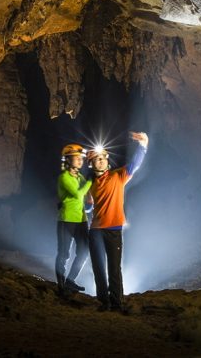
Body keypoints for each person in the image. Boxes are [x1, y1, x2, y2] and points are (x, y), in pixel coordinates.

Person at [87, 131, 148, 312]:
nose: (102, 161)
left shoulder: (118, 176)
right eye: (97, 159)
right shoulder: (89, 185)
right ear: (91, 164)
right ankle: (103, 302)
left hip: (113, 229)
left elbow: (135, 164)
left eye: (104, 158)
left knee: (114, 268)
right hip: (96, 230)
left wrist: (143, 144)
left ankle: (116, 303)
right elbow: (89, 207)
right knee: (98, 268)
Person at [55, 143, 92, 295]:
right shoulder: (64, 177)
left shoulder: (80, 176)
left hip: (81, 220)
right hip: (66, 221)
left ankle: (70, 281)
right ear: (68, 159)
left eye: (81, 158)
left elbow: (87, 192)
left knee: (83, 251)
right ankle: (61, 286)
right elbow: (78, 194)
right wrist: (90, 179)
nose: (80, 160)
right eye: (76, 158)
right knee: (64, 254)